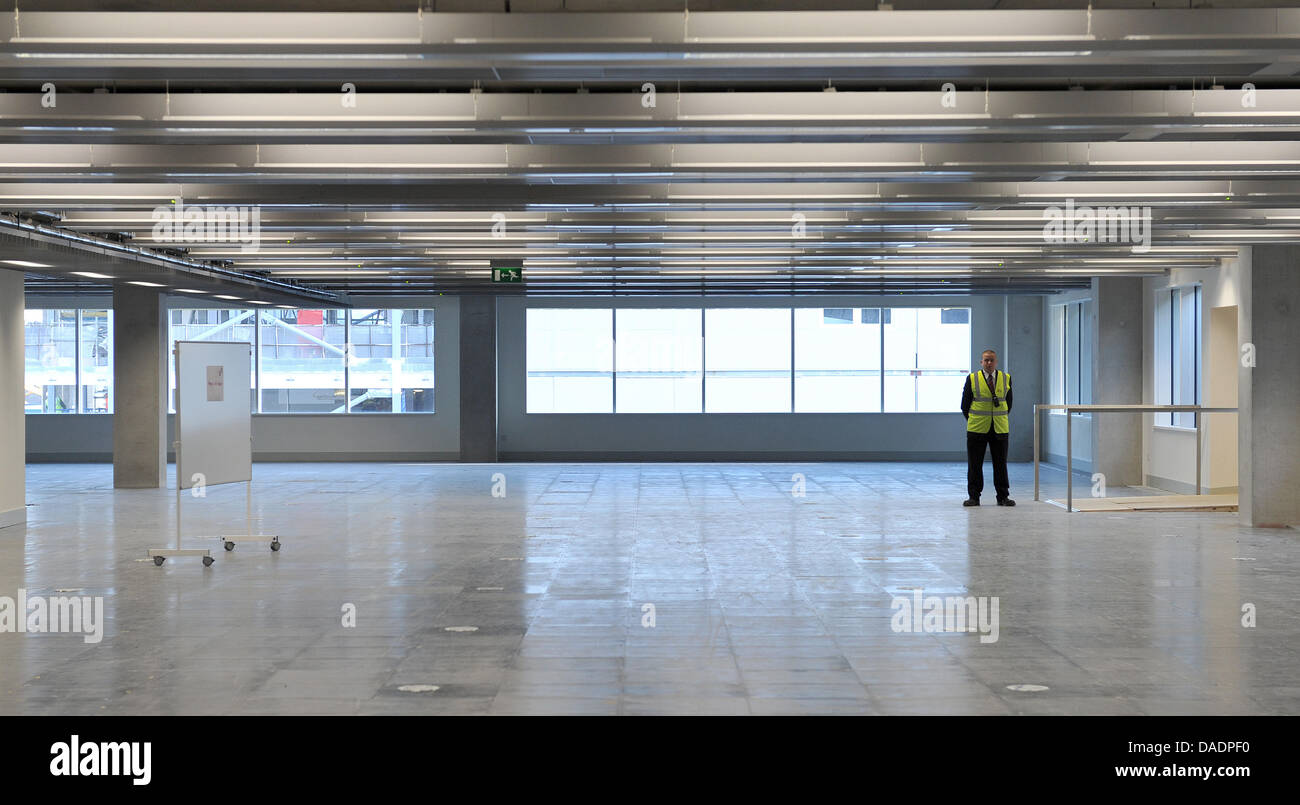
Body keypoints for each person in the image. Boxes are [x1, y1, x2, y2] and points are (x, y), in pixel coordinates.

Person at [960, 349, 1015, 507]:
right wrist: (974, 419)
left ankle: (1003, 497)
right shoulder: (972, 378)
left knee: (1001, 464)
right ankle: (974, 497)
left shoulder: (1006, 378)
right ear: (981, 362)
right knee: (975, 464)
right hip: (977, 428)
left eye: (991, 360)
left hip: (999, 428)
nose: (989, 363)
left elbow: (1009, 403)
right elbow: (965, 404)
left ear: (996, 362)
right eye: (986, 360)